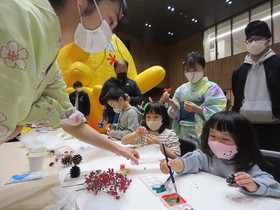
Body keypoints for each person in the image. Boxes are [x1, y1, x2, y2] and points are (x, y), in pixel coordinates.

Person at [0, 0, 140, 164]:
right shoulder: (19, 16)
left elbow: (70, 119)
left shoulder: (51, 61)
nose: (107, 34)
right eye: (109, 21)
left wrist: (119, 149)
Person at [160, 111, 280, 197]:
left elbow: (275, 187)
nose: (216, 142)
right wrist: (172, 164)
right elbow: (186, 163)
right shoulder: (205, 156)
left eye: (225, 139)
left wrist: (254, 185)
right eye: (212, 136)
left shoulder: (246, 165)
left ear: (241, 142)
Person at [232, 20, 280, 152]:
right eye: (249, 40)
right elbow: (238, 99)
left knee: (274, 163)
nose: (253, 43)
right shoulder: (239, 71)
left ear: (268, 41)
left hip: (275, 126)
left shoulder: (278, 65)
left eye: (258, 39)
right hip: (247, 126)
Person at [161, 52, 226, 145]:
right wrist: (170, 102)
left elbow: (217, 110)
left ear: (204, 68)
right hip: (182, 130)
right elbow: (174, 112)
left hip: (202, 130)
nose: (191, 73)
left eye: (195, 69)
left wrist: (197, 109)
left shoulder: (211, 87)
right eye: (187, 70)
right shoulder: (181, 89)